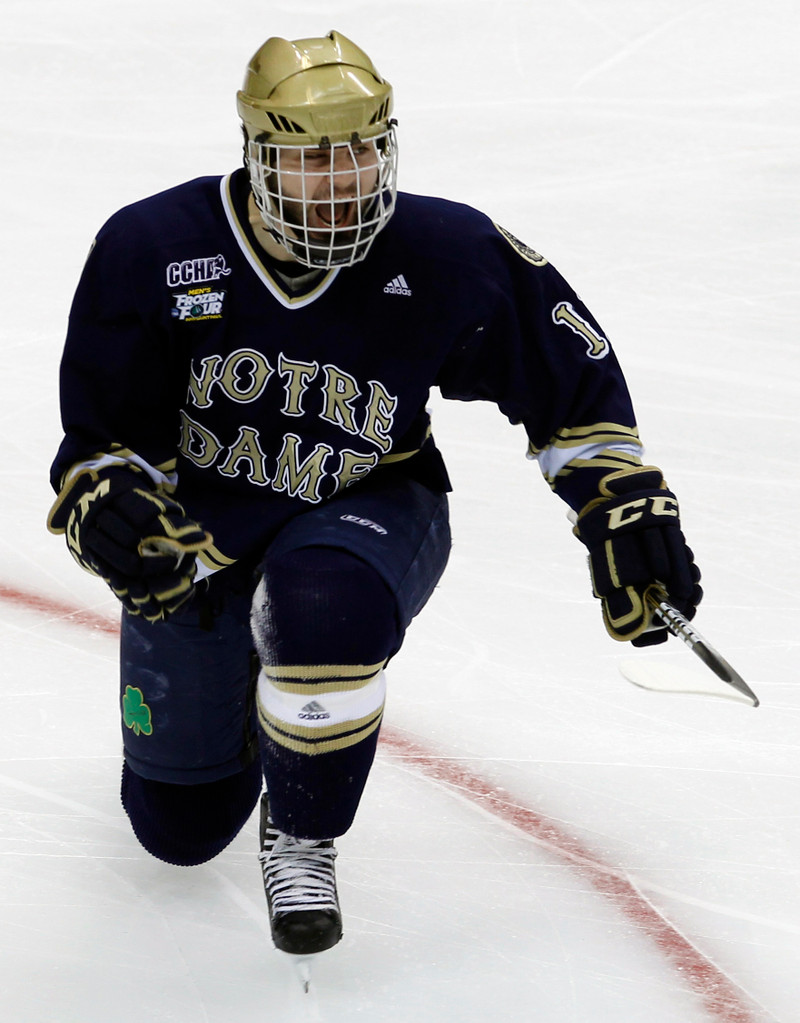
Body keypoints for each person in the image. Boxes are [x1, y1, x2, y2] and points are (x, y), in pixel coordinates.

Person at [47, 31, 701, 959]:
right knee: (179, 831)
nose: (343, 178)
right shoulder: (151, 246)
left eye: (361, 149)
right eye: (312, 157)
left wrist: (623, 510)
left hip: (369, 502)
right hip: (206, 535)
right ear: (255, 151)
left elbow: (567, 380)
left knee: (323, 613)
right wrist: (111, 509)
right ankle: (242, 709)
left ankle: (303, 832)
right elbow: (102, 439)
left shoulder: (443, 250)